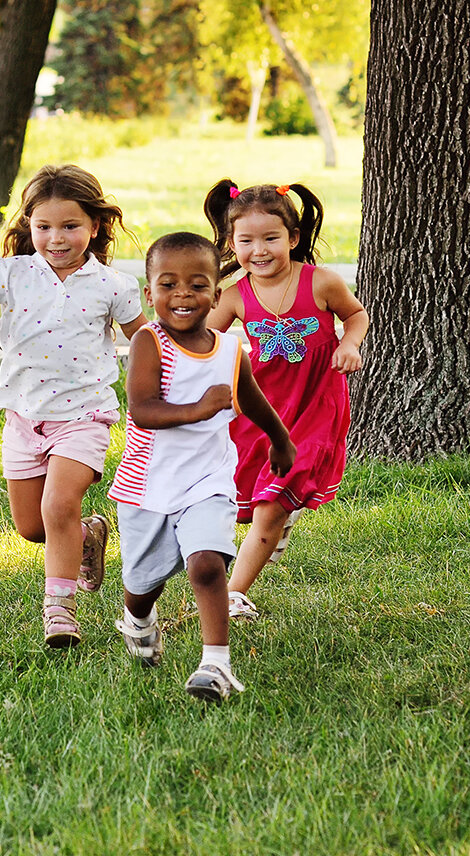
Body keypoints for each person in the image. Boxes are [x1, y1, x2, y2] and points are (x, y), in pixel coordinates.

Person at [0, 164, 147, 648]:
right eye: (43, 226)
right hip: (24, 417)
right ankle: (87, 535)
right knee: (32, 527)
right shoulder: (11, 273)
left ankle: (59, 612)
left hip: (85, 416)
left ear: (95, 226)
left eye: (70, 226)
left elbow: (146, 340)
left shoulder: (112, 285)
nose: (56, 238)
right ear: (28, 225)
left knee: (57, 504)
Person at [110, 232, 294, 702]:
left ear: (217, 293)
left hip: (208, 480)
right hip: (147, 486)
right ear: (149, 293)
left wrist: (280, 440)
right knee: (142, 583)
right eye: (168, 285)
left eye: (197, 285)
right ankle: (137, 619)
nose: (183, 295)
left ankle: (216, 665)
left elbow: (251, 399)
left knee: (207, 565)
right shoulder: (150, 343)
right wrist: (197, 409)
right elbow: (143, 410)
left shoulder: (231, 349)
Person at [202, 180, 368, 620]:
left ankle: (233, 593)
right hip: (260, 408)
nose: (259, 250)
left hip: (316, 406)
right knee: (246, 494)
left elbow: (356, 315)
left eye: (271, 238)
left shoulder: (321, 283)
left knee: (271, 504)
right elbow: (203, 339)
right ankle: (275, 521)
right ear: (231, 242)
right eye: (246, 240)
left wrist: (349, 344)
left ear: (293, 238)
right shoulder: (236, 294)